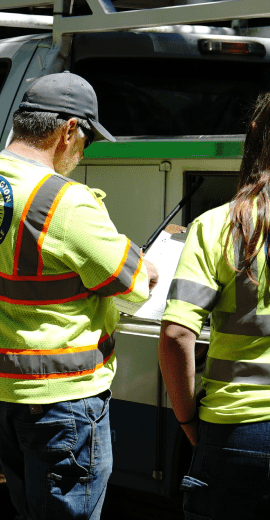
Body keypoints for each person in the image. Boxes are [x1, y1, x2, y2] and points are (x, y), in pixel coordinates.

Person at [0, 71, 159, 520]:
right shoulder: (64, 201)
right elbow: (135, 285)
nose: (82, 153)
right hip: (60, 400)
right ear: (68, 131)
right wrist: (145, 264)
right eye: (86, 141)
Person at [159, 91, 270, 520]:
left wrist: (189, 422)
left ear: (255, 134)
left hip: (235, 432)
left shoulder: (217, 226)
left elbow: (176, 335)